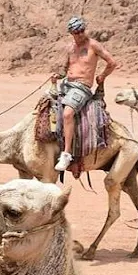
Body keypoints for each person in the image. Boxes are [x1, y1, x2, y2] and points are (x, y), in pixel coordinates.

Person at [52, 16, 119, 171]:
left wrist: (102, 76)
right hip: (66, 85)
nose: (81, 34)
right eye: (77, 32)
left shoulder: (93, 45)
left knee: (68, 113)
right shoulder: (69, 48)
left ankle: (66, 154)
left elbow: (112, 62)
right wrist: (58, 76)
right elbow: (64, 69)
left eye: (82, 30)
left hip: (82, 87)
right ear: (72, 33)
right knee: (46, 105)